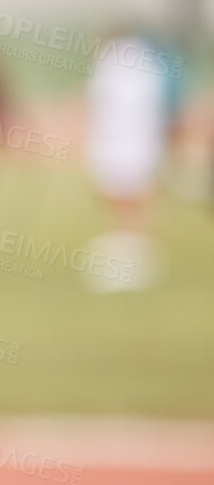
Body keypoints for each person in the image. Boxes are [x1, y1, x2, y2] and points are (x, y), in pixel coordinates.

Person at [82, 26, 183, 291]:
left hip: (128, 142)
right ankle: (130, 253)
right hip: (130, 142)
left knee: (130, 199)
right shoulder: (140, 66)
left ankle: (136, 256)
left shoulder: (121, 66)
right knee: (127, 200)